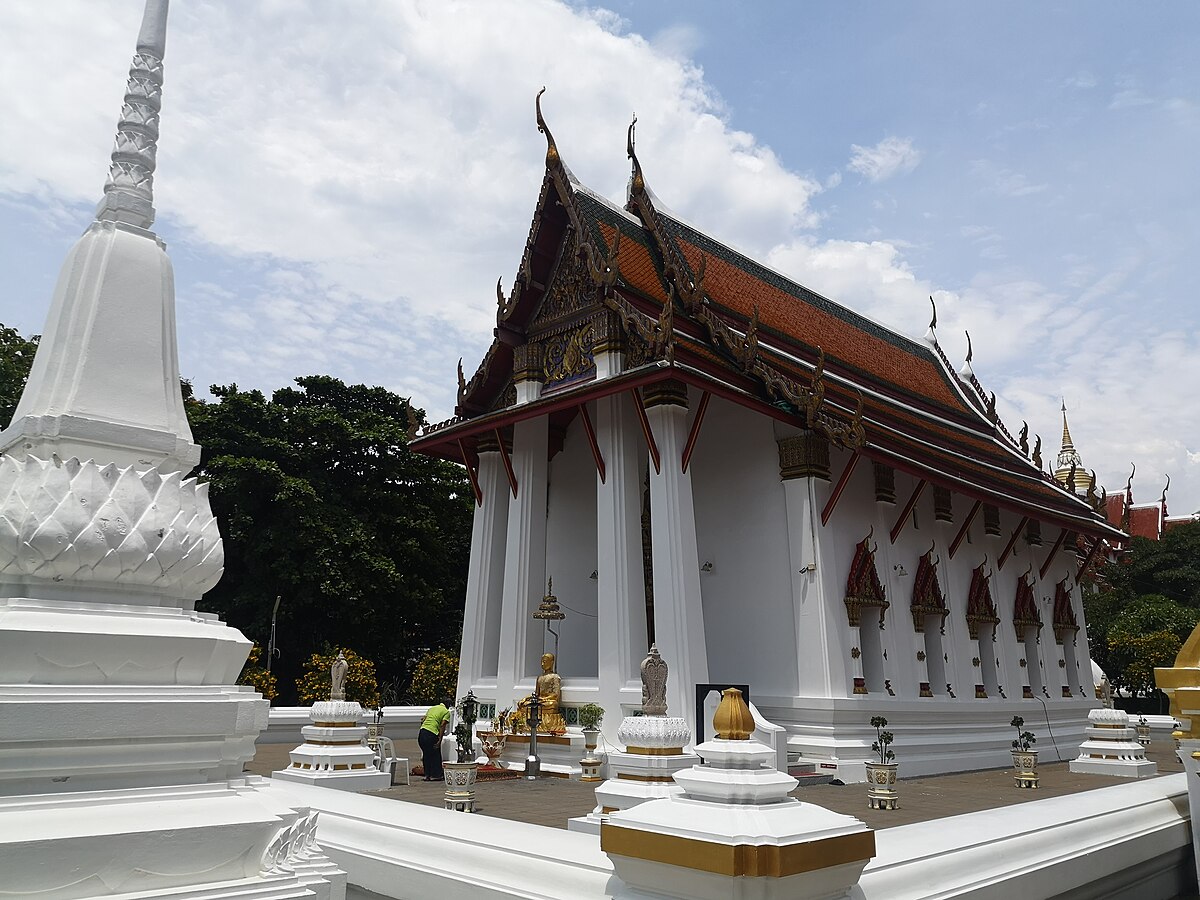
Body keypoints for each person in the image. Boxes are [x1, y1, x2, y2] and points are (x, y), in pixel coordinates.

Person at [419, 696, 453, 780]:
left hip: (422, 733)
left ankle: (427, 775)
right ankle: (436, 775)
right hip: (432, 733)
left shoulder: (432, 708)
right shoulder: (446, 712)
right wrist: (439, 739)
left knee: (426, 754)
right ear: (448, 705)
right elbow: (442, 725)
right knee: (435, 754)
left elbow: (423, 719)